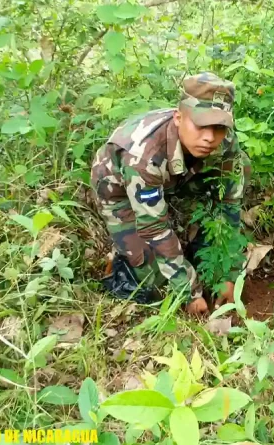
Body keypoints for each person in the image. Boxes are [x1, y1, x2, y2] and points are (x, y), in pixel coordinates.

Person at [90, 72, 251, 315]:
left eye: (219, 127)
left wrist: (227, 275)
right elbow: (154, 228)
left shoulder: (224, 142)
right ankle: (123, 258)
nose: (209, 137)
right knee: (153, 281)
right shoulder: (142, 156)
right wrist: (189, 292)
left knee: (208, 239)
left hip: (178, 173)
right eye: (200, 125)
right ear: (178, 118)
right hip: (119, 188)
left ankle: (190, 245)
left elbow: (229, 206)